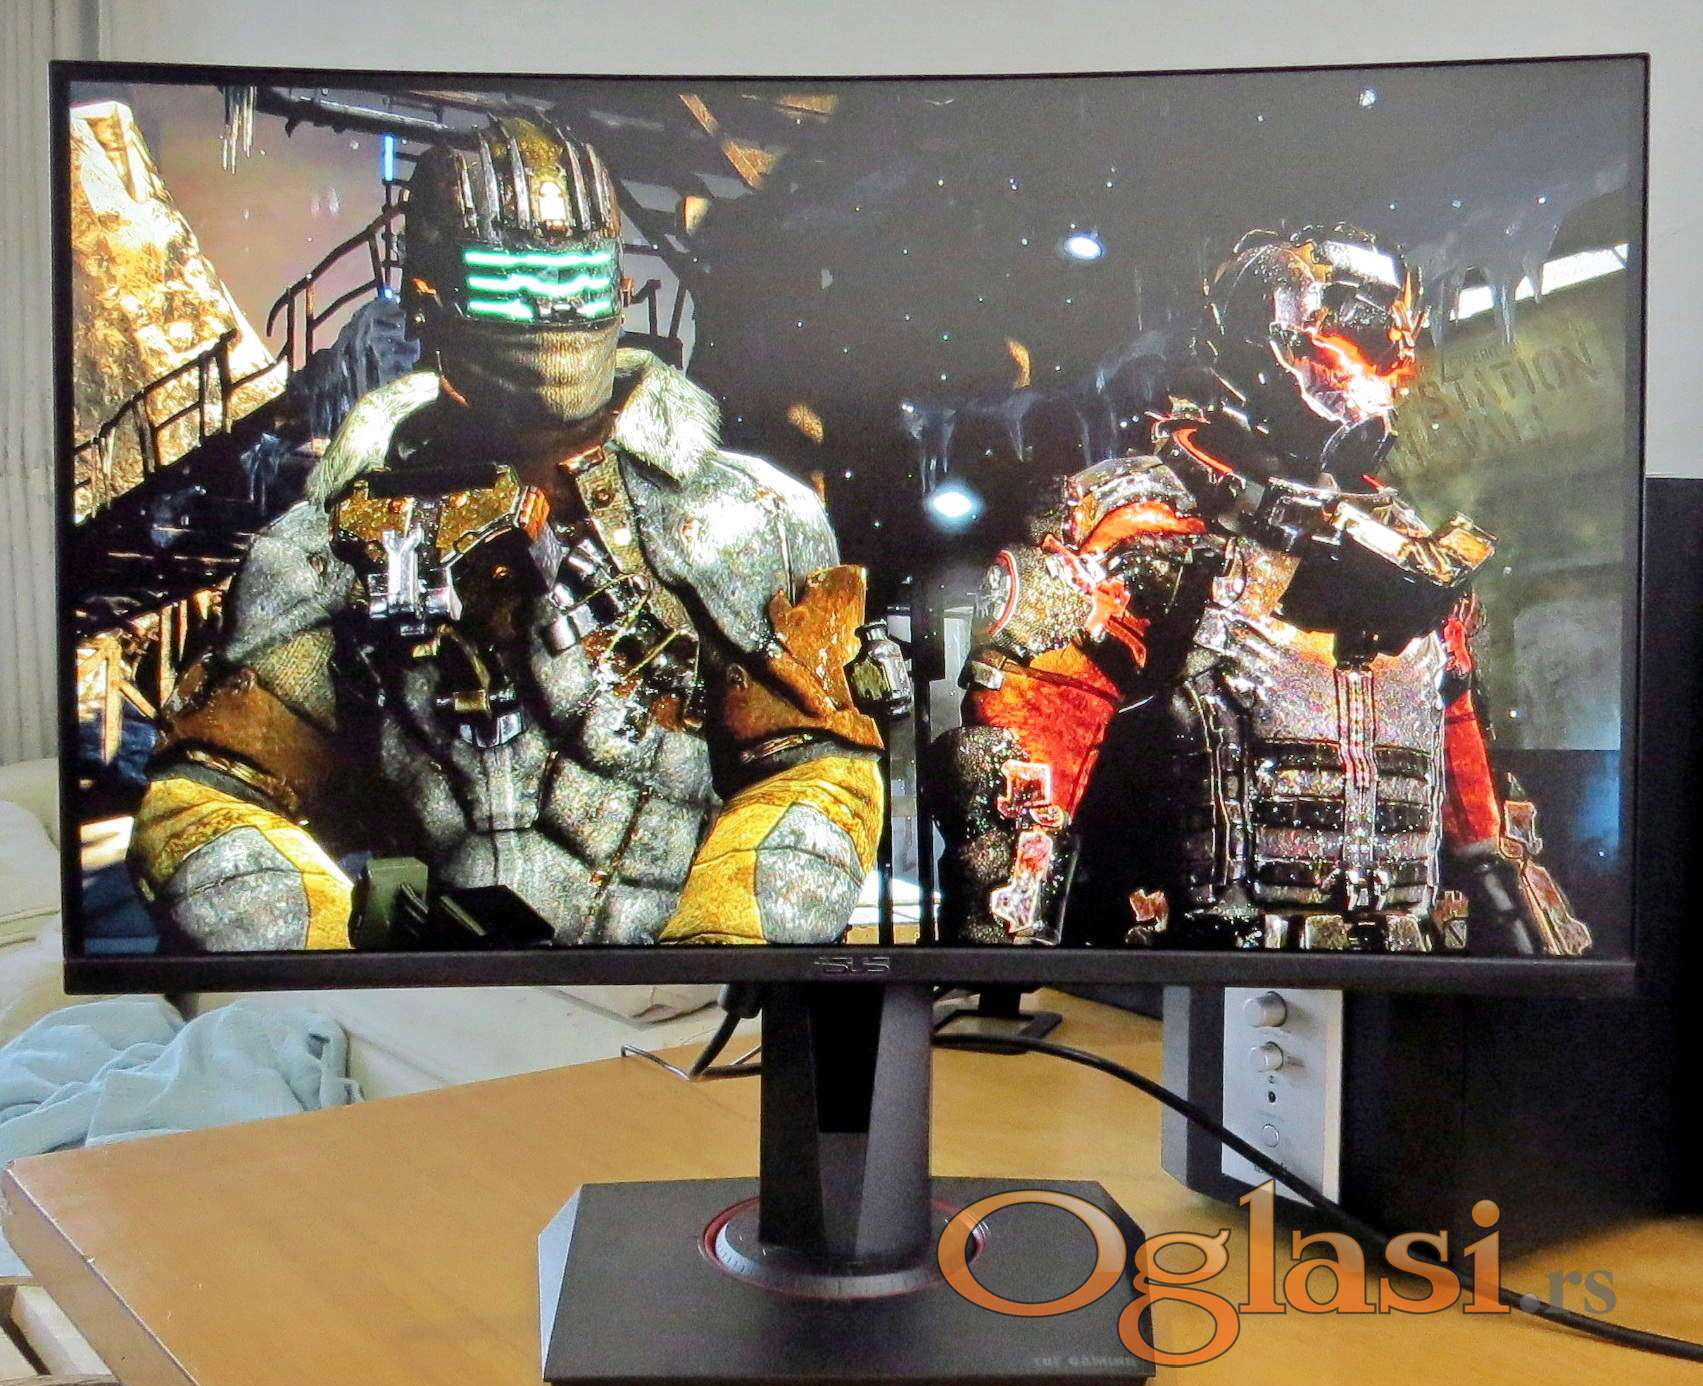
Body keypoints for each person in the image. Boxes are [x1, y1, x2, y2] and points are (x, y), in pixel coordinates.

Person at [128, 117, 896, 952]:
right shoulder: (326, 545)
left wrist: (721, 950)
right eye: (511, 282)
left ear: (618, 290)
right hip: (430, 993)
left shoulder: (745, 516)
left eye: (579, 280)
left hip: (670, 990)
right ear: (429, 301)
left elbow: (814, 769)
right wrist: (331, 973)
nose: (554, 309)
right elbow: (211, 798)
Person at [935, 225, 1590, 955]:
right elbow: (1023, 789)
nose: (1392, 366)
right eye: (1360, 332)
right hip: (1194, 970)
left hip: (1397, 969)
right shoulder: (1140, 523)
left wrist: (1539, 959)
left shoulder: (1409, 544)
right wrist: (999, 965)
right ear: (1268, 339)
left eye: (1397, 338)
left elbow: (1475, 797)